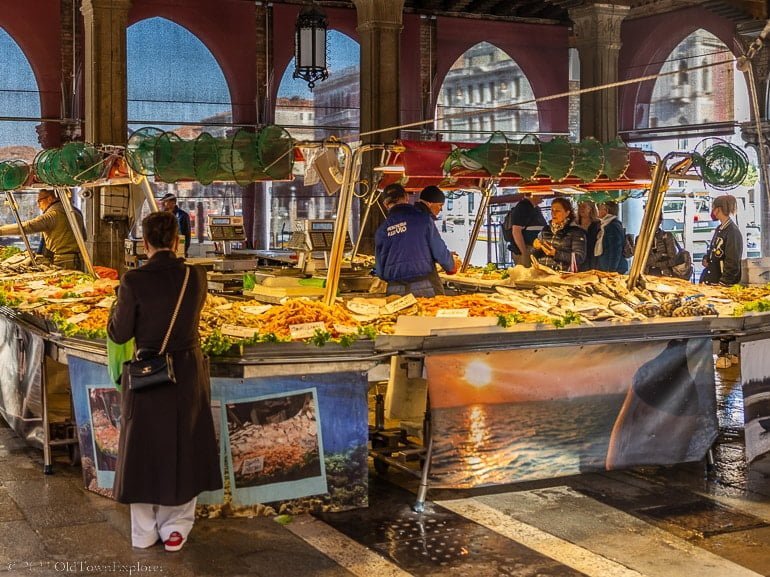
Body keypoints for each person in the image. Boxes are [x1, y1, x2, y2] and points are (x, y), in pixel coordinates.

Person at [108, 211, 222, 552]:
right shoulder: (196, 276)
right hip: (186, 372)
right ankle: (176, 529)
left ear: (145, 244)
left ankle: (143, 532)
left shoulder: (133, 281)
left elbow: (120, 332)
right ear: (177, 240)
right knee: (184, 445)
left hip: (148, 373)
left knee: (142, 449)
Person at [374, 183, 460, 297]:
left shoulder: (381, 231)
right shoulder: (423, 219)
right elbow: (440, 252)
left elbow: (379, 271)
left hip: (395, 291)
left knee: (400, 315)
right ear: (406, 197)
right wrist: (451, 265)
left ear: (385, 204)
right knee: (428, 312)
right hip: (425, 287)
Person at [0, 189, 85, 271]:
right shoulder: (75, 211)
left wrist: (1, 231)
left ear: (50, 198)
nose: (38, 205)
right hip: (79, 259)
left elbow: (28, 227)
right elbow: (84, 237)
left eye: (39, 201)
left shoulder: (53, 214)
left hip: (64, 261)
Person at [531, 197, 586, 271]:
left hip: (562, 275)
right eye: (552, 210)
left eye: (557, 211)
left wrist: (555, 253)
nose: (554, 213)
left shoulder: (576, 232)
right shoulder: (545, 230)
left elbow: (579, 258)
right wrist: (535, 248)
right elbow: (534, 255)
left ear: (567, 213)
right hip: (542, 273)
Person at [700, 194, 743, 286]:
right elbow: (714, 251)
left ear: (718, 209)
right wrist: (707, 258)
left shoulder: (732, 231)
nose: (712, 211)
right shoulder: (720, 229)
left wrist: (723, 283)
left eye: (713, 208)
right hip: (712, 281)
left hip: (722, 284)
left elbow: (733, 261)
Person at [505, 193, 547, 267]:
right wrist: (524, 252)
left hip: (534, 251)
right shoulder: (523, 207)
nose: (543, 196)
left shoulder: (534, 208)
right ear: (532, 194)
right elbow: (516, 231)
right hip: (527, 251)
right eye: (540, 193)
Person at [595, 201, 628, 274]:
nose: (598, 211)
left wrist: (611, 271)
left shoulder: (612, 226)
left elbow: (615, 249)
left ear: (606, 211)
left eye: (600, 209)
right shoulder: (605, 225)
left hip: (614, 269)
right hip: (607, 267)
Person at [159, 192, 191, 258]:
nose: (163, 204)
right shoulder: (163, 215)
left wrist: (184, 249)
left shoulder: (182, 215)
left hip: (179, 247)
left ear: (173, 203)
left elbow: (187, 234)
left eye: (166, 202)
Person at [576, 200, 601, 271]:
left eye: (584, 206)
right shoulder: (575, 225)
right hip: (579, 261)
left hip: (594, 259)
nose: (581, 209)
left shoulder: (598, 224)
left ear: (591, 208)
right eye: (579, 206)